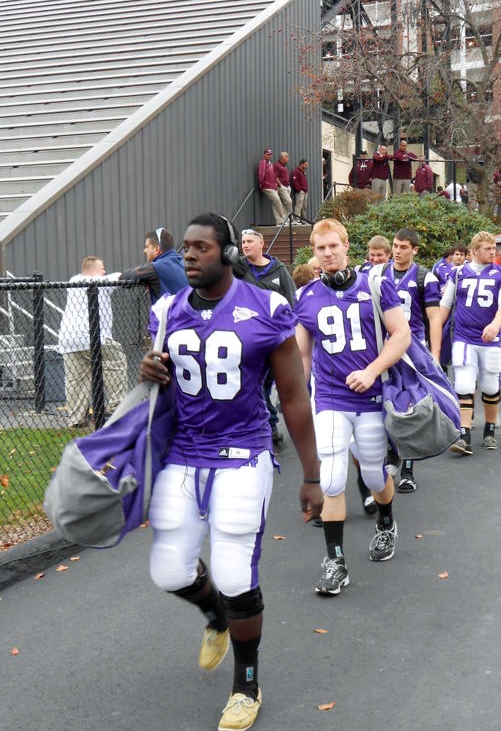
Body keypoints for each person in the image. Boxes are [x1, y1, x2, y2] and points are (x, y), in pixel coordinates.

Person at [140, 213, 323, 731]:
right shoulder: (168, 310)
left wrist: (311, 474)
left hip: (243, 452)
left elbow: (291, 395)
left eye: (201, 247)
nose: (190, 256)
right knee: (169, 570)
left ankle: (246, 684)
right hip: (185, 452)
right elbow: (163, 379)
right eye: (187, 249)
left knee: (235, 571)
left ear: (226, 254)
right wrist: (149, 368)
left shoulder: (266, 307)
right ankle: (216, 617)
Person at [294, 219, 411, 596]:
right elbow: (302, 354)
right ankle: (336, 561)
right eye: (320, 248)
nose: (327, 253)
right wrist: (297, 401)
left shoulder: (375, 285)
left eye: (333, 246)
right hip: (329, 399)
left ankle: (387, 522)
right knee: (330, 477)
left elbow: (402, 335)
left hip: (371, 398)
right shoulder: (307, 295)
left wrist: (373, 369)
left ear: (346, 246)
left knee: (375, 475)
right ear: (315, 251)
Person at [439, 230, 501, 454]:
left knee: (491, 385)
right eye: (487, 249)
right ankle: (464, 436)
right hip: (464, 336)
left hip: (490, 340)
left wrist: (495, 324)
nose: (493, 252)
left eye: (494, 248)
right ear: (474, 251)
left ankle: (489, 430)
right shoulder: (458, 273)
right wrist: (434, 334)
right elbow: (445, 305)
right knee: (463, 384)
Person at [382, 228, 443, 492]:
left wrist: (435, 356)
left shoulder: (424, 276)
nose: (397, 251)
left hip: (412, 350)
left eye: (404, 247)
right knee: (383, 403)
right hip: (382, 349)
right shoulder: (377, 274)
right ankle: (391, 452)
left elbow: (435, 318)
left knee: (411, 408)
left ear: (415, 250)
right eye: (395, 245)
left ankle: (408, 468)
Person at [235, 228, 296, 445]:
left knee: (272, 383)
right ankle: (268, 424)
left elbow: (291, 303)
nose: (245, 245)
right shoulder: (239, 269)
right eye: (243, 242)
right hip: (248, 339)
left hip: (275, 338)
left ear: (262, 244)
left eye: (250, 241)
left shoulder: (279, 271)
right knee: (255, 383)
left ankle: (272, 420)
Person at [58, 256, 128, 427]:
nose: (104, 271)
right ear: (91, 271)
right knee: (116, 362)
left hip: (68, 339)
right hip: (94, 337)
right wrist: (124, 274)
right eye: (102, 268)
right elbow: (116, 277)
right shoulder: (99, 282)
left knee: (76, 380)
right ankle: (117, 406)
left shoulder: (73, 281)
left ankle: (76, 419)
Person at [119, 227, 188, 303]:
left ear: (156, 249)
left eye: (147, 247)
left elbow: (123, 277)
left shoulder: (155, 267)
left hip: (169, 314)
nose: (144, 251)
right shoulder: (184, 263)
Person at [258, 148, 288, 225]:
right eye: (268, 154)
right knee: (277, 200)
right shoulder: (263, 162)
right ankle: (284, 218)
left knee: (275, 203)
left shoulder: (270, 164)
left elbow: (273, 175)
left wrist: (275, 184)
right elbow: (261, 175)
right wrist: (261, 184)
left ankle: (279, 221)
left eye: (270, 154)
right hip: (267, 186)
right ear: (264, 155)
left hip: (273, 186)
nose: (269, 156)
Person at [273, 151, 293, 221]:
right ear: (283, 157)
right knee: (288, 201)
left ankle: (286, 220)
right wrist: (280, 185)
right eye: (287, 157)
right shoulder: (277, 165)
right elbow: (275, 176)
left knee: (285, 203)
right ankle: (290, 219)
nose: (288, 158)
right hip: (282, 187)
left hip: (287, 186)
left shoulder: (284, 166)